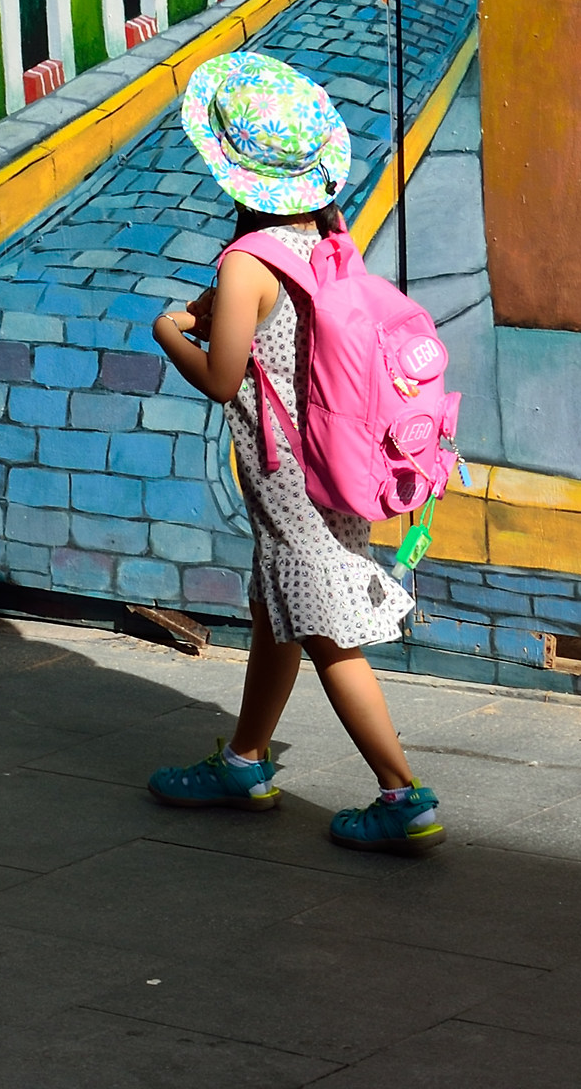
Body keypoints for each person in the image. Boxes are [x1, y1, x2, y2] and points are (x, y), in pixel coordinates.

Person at [144, 49, 442, 857]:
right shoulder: (321, 239)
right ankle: (244, 760)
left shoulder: (245, 263)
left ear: (233, 172)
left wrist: (171, 330)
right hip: (340, 457)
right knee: (279, 605)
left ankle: (401, 795)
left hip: (285, 473)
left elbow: (220, 378)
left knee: (323, 630)